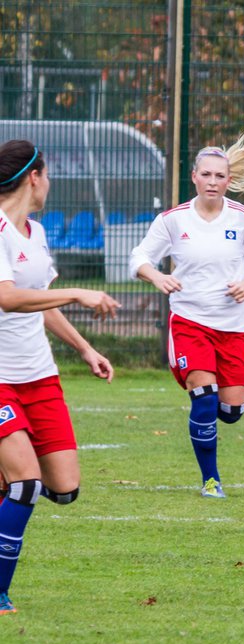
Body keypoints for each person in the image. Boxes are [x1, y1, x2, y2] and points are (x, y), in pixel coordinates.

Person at [0, 139, 119, 615]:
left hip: (39, 377)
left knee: (63, 490)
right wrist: (78, 294)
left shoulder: (38, 232)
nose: (50, 185)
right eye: (47, 176)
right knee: (26, 483)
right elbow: (7, 298)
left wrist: (86, 348)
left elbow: (41, 303)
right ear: (35, 176)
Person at [130, 135, 244, 499]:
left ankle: (224, 409)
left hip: (235, 327)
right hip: (190, 322)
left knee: (229, 411)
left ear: (228, 180)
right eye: (206, 174)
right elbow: (139, 257)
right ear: (193, 177)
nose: (212, 181)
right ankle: (211, 480)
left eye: (220, 175)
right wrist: (158, 275)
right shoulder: (173, 221)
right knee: (205, 399)